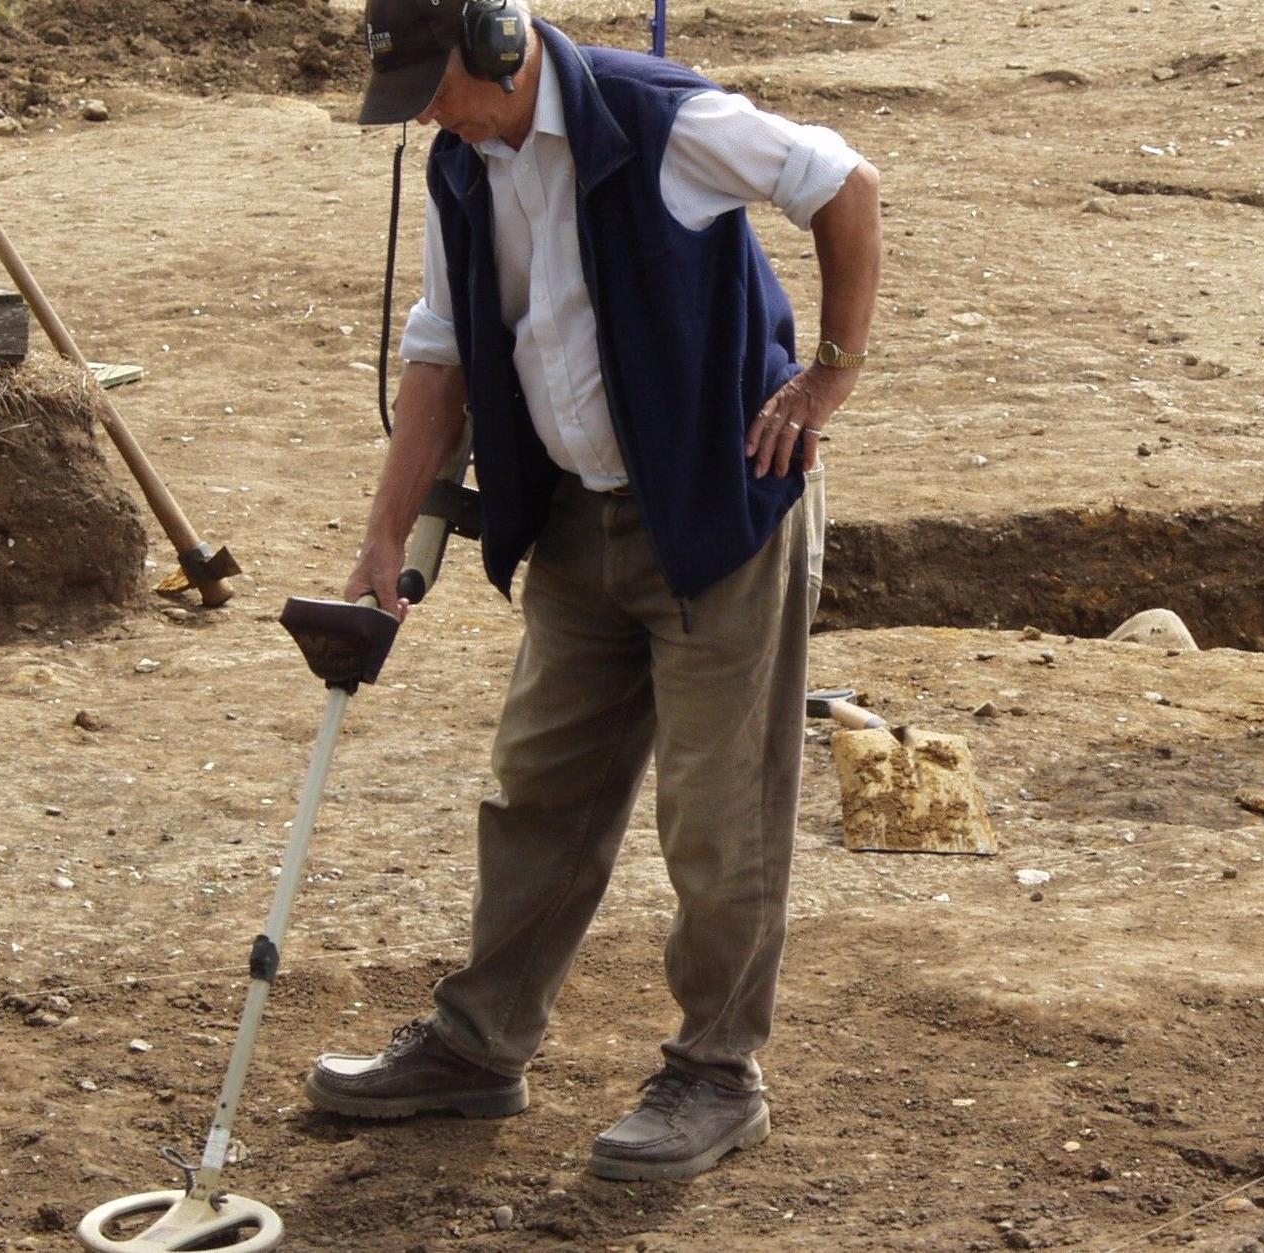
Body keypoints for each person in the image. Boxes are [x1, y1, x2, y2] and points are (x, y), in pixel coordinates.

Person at [304, 0, 880, 1183]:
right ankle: (479, 1044)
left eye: (436, 85)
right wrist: (380, 535)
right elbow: (442, 348)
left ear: (499, 39)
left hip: (718, 517)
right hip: (572, 522)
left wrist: (830, 373)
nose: (426, 114)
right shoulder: (461, 169)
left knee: (720, 818)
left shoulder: (664, 120)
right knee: (539, 792)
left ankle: (717, 1073)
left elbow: (842, 179)